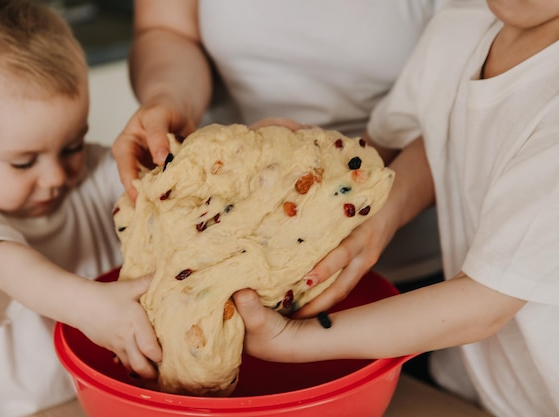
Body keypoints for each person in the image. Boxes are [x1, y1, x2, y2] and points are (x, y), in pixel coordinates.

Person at [232, 1, 559, 416]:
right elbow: (436, 139)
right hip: (473, 375)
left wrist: (295, 341)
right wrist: (323, 160)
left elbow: (484, 305)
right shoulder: (462, 27)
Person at [113, 0, 446, 315]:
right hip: (218, 242)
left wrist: (389, 207)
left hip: (407, 254)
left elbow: (469, 100)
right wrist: (170, 97)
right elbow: (168, 30)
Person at [0, 1, 161, 416]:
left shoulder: (89, 173)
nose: (56, 175)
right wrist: (90, 308)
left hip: (108, 400)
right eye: (24, 161)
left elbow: (156, 184)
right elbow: (6, 266)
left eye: (72, 146)